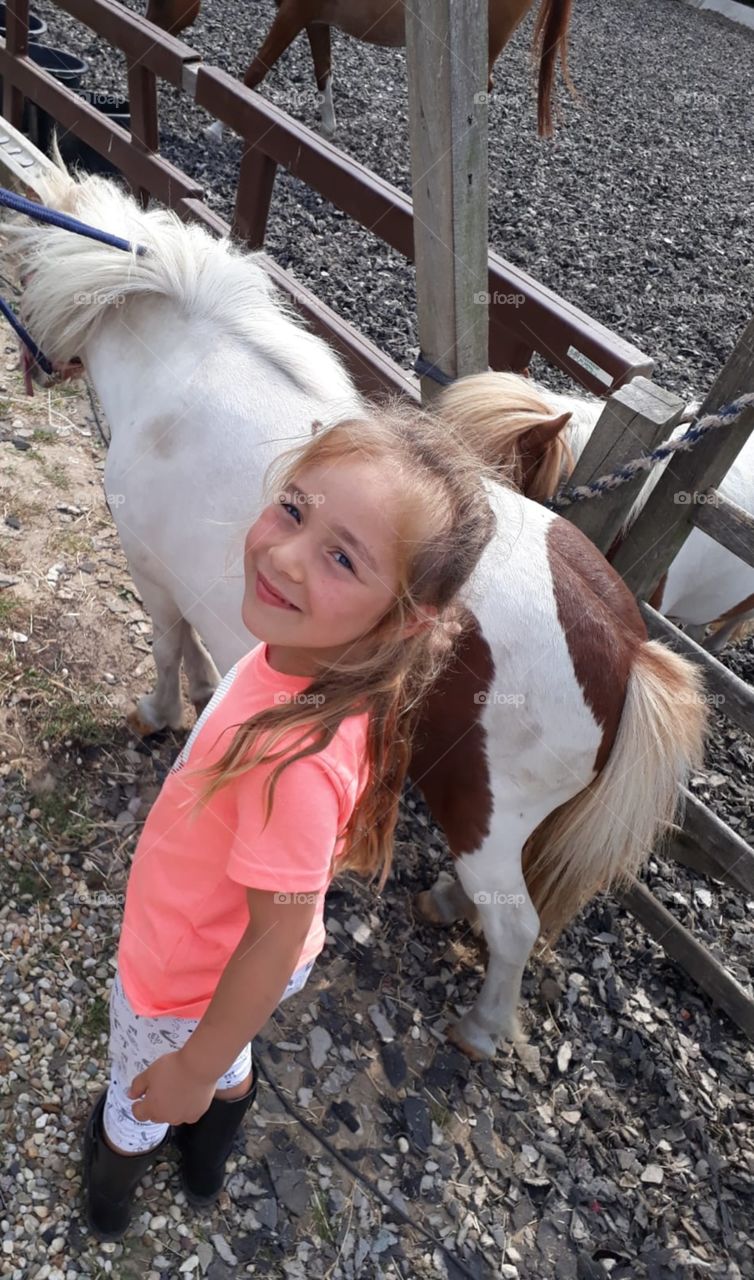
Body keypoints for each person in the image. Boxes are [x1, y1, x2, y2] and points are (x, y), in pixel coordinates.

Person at [82, 402, 498, 1241]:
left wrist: (189, 1070)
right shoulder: (310, 665)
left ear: (403, 618)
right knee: (223, 1050)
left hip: (180, 973)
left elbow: (272, 940)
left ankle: (111, 1191)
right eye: (294, 509)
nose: (284, 555)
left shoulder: (295, 762)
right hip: (226, 966)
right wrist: (209, 1054)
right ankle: (207, 1161)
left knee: (140, 1096)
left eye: (341, 557)